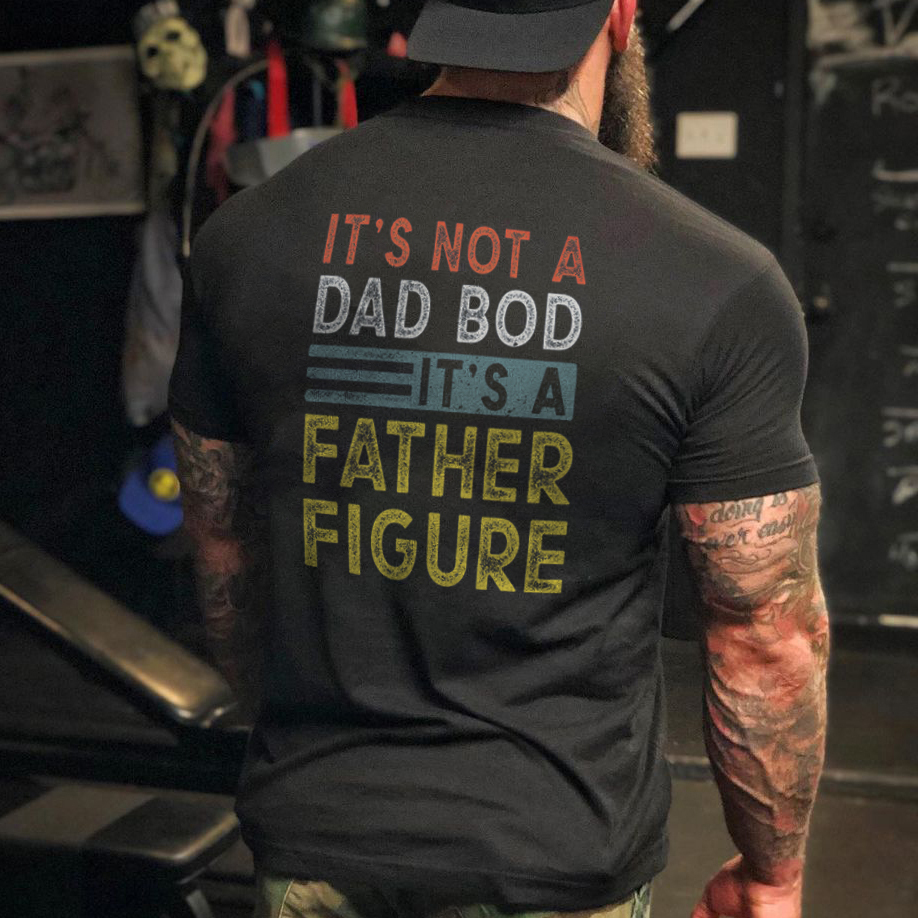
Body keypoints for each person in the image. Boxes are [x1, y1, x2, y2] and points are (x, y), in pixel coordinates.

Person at [168, 2, 830, 917]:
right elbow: (763, 634)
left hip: (319, 827)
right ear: (621, 16)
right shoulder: (717, 279)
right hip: (560, 846)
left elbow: (225, 557)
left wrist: (302, 751)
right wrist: (771, 872)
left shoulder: (246, 239)